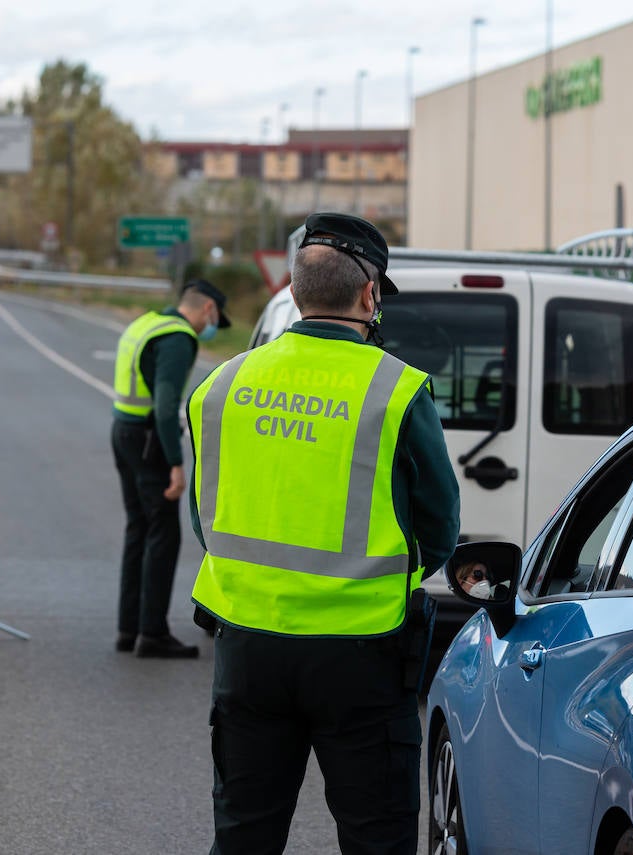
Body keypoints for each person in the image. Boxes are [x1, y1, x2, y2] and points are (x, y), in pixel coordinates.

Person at [188, 212, 461, 854]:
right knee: (375, 839)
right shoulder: (394, 388)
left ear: (293, 286)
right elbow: (440, 526)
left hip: (247, 648)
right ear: (370, 296)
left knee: (243, 838)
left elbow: (206, 518)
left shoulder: (222, 384)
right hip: (360, 654)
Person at [113, 279, 230, 659]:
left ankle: (128, 629)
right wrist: (177, 465)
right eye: (214, 319)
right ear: (208, 309)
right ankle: (153, 633)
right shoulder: (178, 339)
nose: (211, 328)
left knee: (139, 530)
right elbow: (166, 407)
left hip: (123, 431)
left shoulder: (146, 323)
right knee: (163, 535)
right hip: (150, 441)